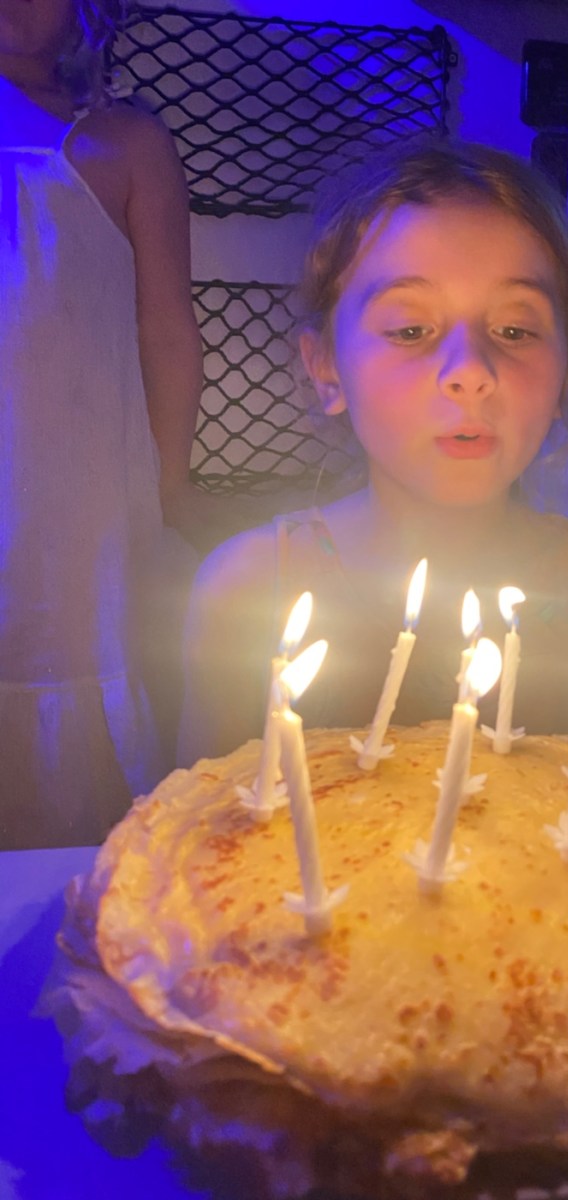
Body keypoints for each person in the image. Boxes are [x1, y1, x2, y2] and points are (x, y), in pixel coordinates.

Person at [178, 140, 568, 772]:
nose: (470, 371)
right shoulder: (247, 590)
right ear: (326, 369)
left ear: (567, 371)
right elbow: (204, 816)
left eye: (515, 330)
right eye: (411, 330)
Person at [0, 0, 210, 846]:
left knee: (66, 641)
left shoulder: (124, 144)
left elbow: (167, 332)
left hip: (73, 488)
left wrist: (167, 485)